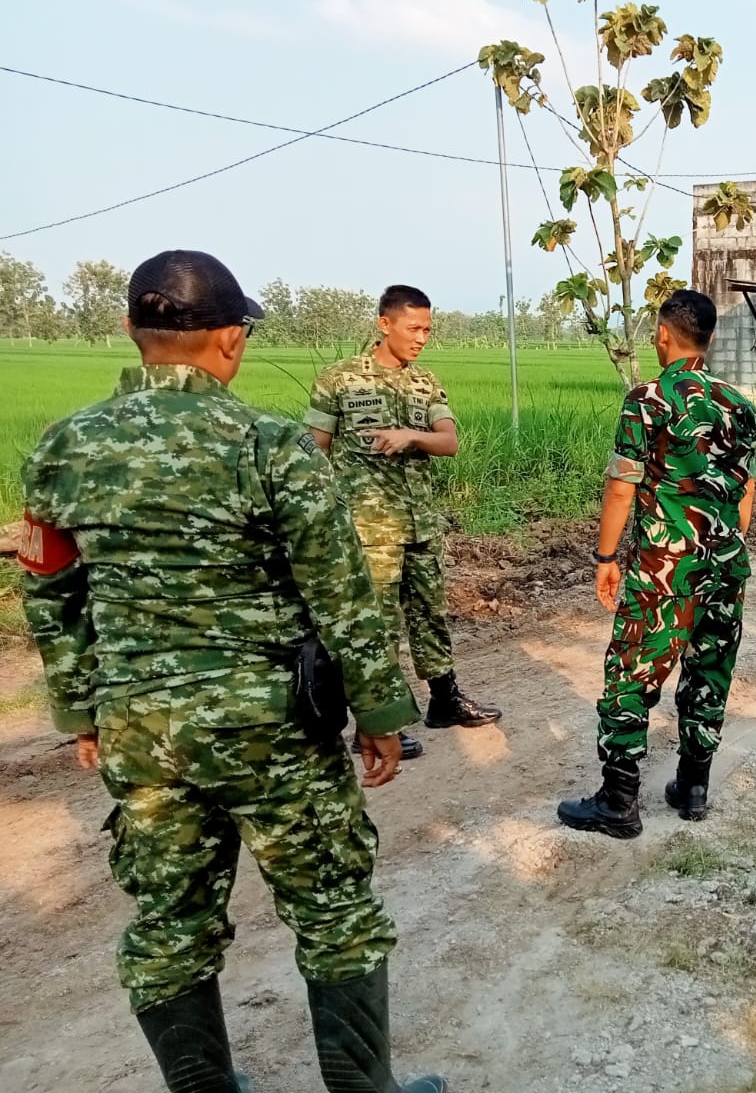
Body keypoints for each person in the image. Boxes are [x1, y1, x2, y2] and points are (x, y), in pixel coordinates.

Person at [17, 250, 445, 1093]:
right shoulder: (269, 445)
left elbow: (50, 593)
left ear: (134, 334)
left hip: (144, 729)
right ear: (228, 341)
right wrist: (382, 712)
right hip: (271, 728)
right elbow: (344, 596)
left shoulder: (62, 447)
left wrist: (83, 714)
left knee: (169, 923)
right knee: (332, 912)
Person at [557, 288, 756, 839]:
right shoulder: (739, 406)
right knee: (709, 669)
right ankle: (692, 787)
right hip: (726, 563)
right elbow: (745, 490)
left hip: (664, 568)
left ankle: (618, 802)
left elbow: (622, 486)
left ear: (662, 335)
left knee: (630, 672)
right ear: (711, 339)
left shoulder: (647, 399)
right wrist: (723, 547)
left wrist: (605, 557)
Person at [305, 284, 501, 753]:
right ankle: (376, 724)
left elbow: (448, 441)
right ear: (384, 323)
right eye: (413, 328)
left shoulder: (424, 382)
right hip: (370, 530)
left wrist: (410, 435)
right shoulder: (340, 379)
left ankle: (444, 700)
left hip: (420, 524)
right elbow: (313, 454)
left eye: (428, 329)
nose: (421, 338)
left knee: (431, 614)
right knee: (378, 625)